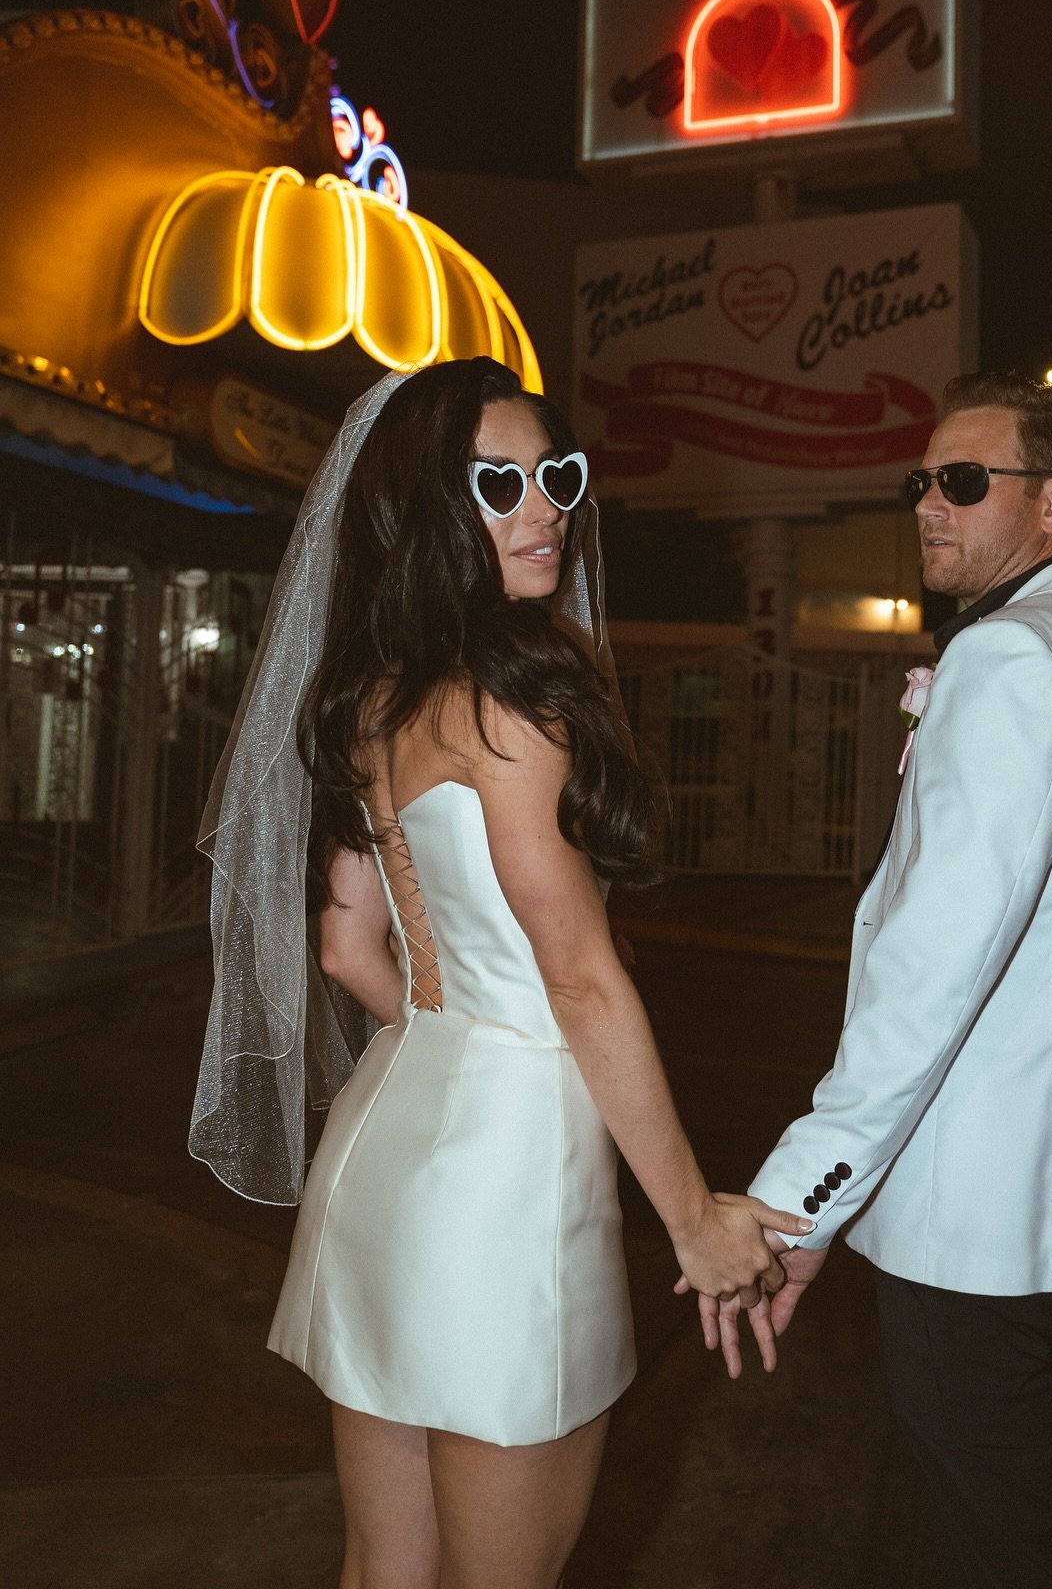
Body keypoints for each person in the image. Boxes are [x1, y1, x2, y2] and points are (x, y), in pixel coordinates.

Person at [190, 359, 806, 1589]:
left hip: (386, 1148)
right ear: (425, 508)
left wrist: (468, 1027)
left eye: (557, 477)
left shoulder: (373, 701)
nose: (545, 509)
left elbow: (347, 949)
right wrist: (696, 1223)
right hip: (507, 1192)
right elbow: (578, 981)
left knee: (385, 1571)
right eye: (499, 484)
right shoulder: (515, 708)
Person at [693, 370, 1052, 1588]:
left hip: (992, 1220)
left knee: (1010, 1543)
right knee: (1048, 1520)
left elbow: (931, 971)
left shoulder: (1018, 661)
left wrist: (800, 1204)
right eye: (921, 481)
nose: (929, 502)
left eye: (965, 482)